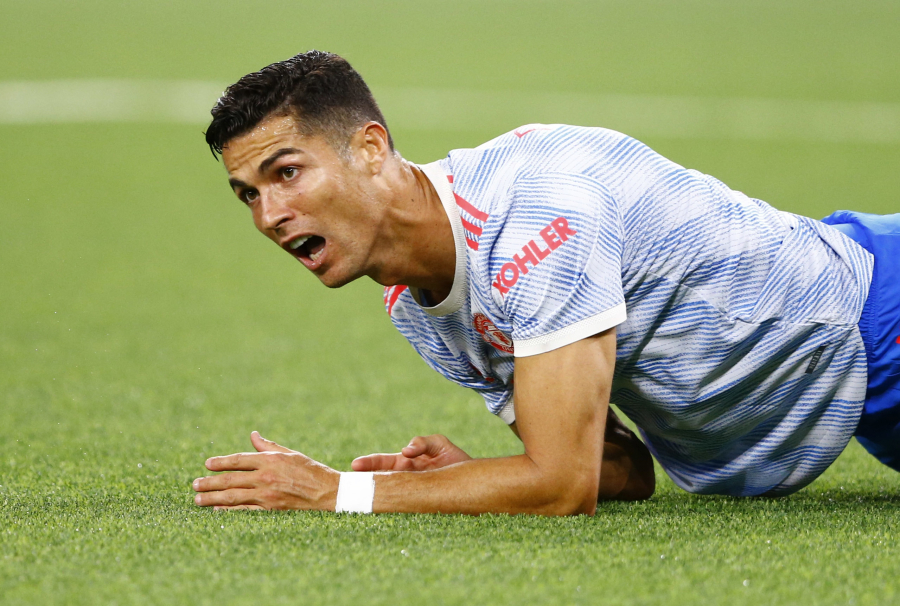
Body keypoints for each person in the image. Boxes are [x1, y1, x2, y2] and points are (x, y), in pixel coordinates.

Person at [191, 50, 899, 516]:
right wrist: (471, 480)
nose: (271, 215)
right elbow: (615, 471)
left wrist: (337, 491)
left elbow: (562, 487)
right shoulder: (415, 301)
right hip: (855, 374)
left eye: (286, 172)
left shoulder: (533, 217)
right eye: (247, 194)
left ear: (371, 149)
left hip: (880, 309)